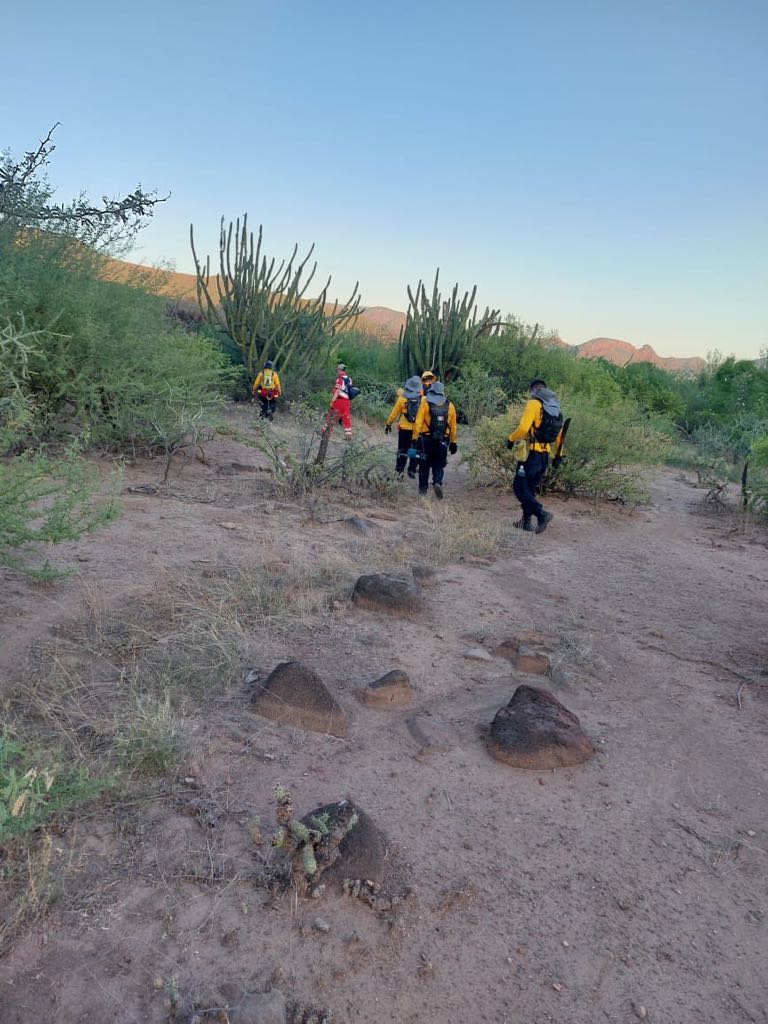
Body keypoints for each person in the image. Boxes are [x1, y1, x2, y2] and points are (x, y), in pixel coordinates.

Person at [505, 378, 564, 534]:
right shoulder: (554, 407)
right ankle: (525, 521)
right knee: (530, 488)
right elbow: (559, 436)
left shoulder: (534, 404)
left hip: (530, 456)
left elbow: (524, 428)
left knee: (519, 488)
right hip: (544, 456)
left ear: (533, 391)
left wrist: (511, 439)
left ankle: (541, 514)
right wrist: (559, 456)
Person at [411, 379, 458, 499]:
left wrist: (415, 437)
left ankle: (423, 491)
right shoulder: (450, 405)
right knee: (438, 465)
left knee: (424, 465)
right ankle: (437, 482)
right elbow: (453, 426)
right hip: (442, 440)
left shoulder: (425, 403)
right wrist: (453, 442)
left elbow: (418, 421)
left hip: (425, 440)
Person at [384, 375, 423, 478]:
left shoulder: (402, 399)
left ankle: (399, 471)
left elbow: (394, 413)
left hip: (404, 429)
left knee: (402, 450)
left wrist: (388, 424)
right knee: (414, 449)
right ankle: (412, 469)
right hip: (417, 430)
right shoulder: (423, 399)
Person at [329, 363, 354, 439]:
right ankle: (348, 435)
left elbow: (337, 391)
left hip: (340, 400)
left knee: (332, 416)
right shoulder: (349, 379)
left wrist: (332, 401)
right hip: (347, 401)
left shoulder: (340, 379)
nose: (337, 371)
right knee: (346, 417)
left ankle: (326, 432)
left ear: (340, 370)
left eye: (338, 370)